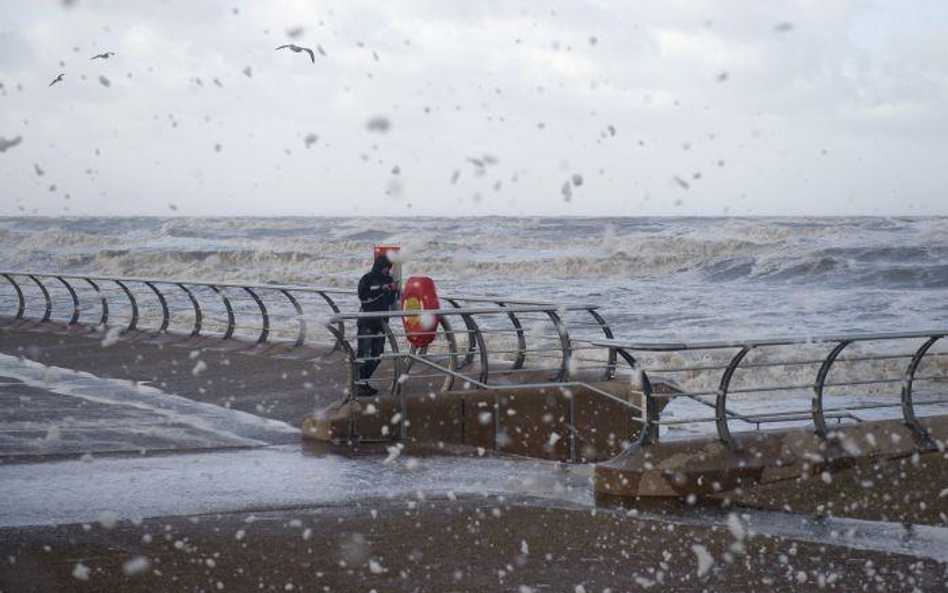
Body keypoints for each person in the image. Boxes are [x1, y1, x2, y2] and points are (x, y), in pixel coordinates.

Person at [355, 255, 397, 396]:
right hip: (366, 321)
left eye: (389, 268)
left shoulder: (389, 279)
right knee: (363, 353)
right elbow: (362, 295)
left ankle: (363, 380)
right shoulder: (367, 278)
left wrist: (393, 290)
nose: (387, 271)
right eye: (386, 268)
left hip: (381, 322)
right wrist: (380, 289)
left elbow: (390, 301)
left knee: (377, 354)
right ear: (380, 266)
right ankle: (360, 384)